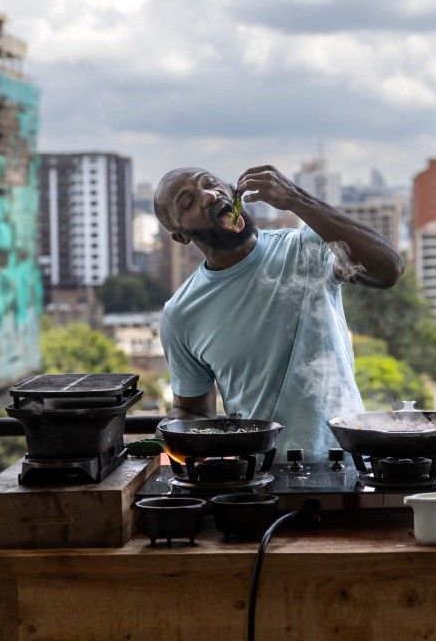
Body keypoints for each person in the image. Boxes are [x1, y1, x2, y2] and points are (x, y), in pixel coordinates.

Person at [153, 165, 405, 462]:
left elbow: (388, 271)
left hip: (349, 464)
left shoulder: (304, 247)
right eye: (189, 202)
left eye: (211, 184)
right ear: (181, 237)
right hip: (258, 478)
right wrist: (174, 426)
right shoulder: (181, 314)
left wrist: (296, 198)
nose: (209, 196)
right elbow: (193, 410)